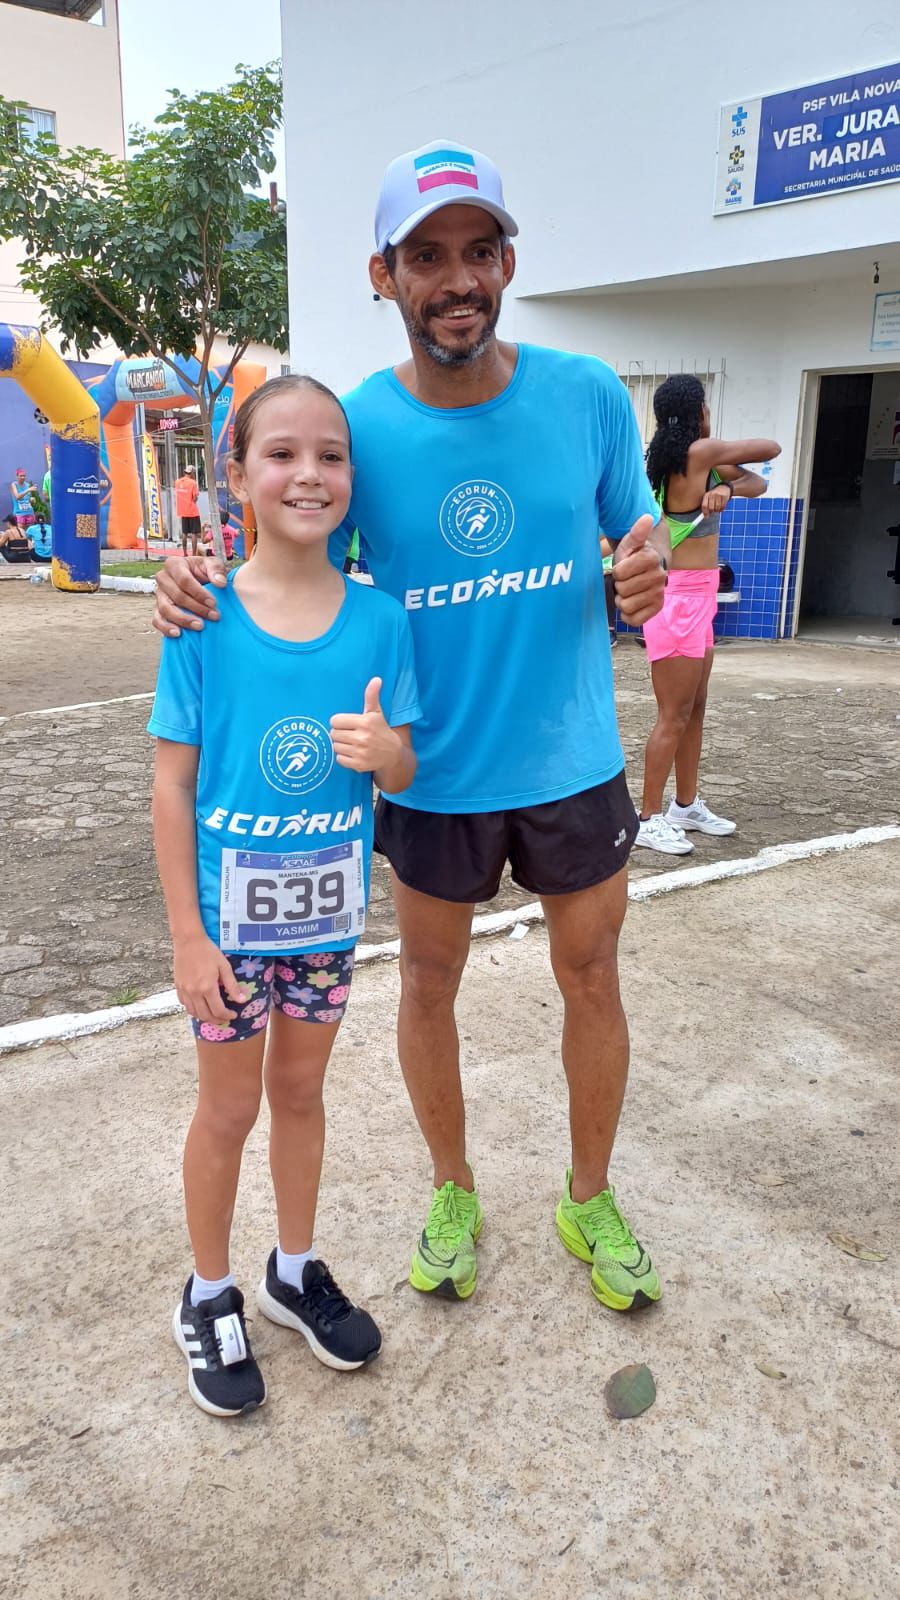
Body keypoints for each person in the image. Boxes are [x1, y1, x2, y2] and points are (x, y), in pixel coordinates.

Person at [154, 139, 670, 1315]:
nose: (457, 279)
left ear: (508, 264)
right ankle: (452, 1190)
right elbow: (296, 577)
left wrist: (648, 581)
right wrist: (189, 578)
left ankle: (590, 1196)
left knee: (593, 975)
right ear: (384, 275)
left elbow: (640, 542)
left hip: (572, 760)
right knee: (428, 983)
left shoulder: (588, 394)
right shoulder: (361, 431)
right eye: (426, 256)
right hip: (426, 773)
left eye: (479, 251)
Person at [149, 374, 421, 1416]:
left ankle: (292, 1270)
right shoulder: (202, 617)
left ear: (352, 476)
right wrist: (187, 935)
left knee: (301, 1095)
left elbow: (405, 768)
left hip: (325, 928)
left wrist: (388, 753)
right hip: (228, 935)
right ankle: (208, 1290)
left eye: (331, 455)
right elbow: (172, 783)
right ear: (236, 476)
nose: (309, 474)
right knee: (228, 1108)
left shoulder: (382, 621)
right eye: (282, 453)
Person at [635, 375, 780, 855]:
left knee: (694, 708)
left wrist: (727, 489)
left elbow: (758, 482)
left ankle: (685, 805)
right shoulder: (701, 452)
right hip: (677, 600)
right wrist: (725, 473)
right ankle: (648, 818)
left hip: (700, 597)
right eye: (706, 407)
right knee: (673, 714)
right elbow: (771, 448)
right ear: (698, 411)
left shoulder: (693, 459)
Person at [174, 464, 201, 555]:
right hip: (192, 511)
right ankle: (193, 554)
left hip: (182, 511)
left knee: (184, 533)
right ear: (192, 473)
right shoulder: (193, 483)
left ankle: (185, 553)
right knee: (194, 533)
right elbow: (195, 498)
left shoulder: (177, 482)